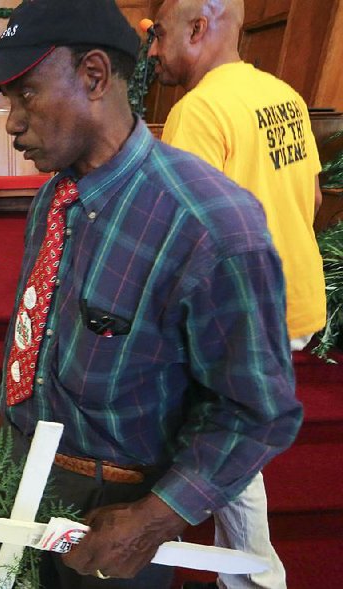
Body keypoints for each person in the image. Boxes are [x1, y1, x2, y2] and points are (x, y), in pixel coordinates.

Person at [0, 0, 302, 587]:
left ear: (93, 74)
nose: (12, 123)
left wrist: (153, 519)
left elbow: (256, 410)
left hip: (116, 508)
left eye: (27, 95)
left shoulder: (211, 226)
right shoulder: (57, 197)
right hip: (26, 474)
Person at [149, 1, 326, 587]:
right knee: (233, 434)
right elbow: (316, 200)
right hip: (295, 294)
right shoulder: (283, 95)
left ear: (199, 29)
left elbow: (187, 239)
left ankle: (256, 576)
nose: (153, 51)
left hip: (246, 312)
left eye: (162, 37)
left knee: (223, 444)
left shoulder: (198, 111)